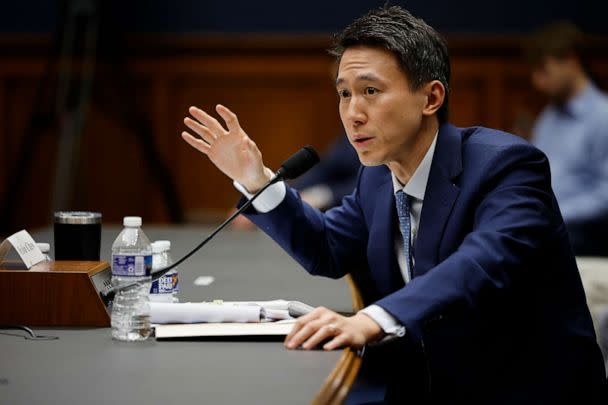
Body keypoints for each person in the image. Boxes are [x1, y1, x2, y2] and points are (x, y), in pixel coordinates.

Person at [181, 6, 606, 403]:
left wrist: (374, 317)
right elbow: (326, 248)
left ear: (431, 98)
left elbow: (481, 261)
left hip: (520, 388)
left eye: (371, 90)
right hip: (425, 383)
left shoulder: (504, 165)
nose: (353, 113)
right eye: (344, 94)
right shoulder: (378, 178)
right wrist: (257, 179)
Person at [527, 22, 608, 256]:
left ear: (571, 61)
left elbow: (606, 194)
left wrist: (555, 213)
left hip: (583, 235)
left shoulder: (602, 116)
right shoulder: (548, 117)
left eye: (544, 70)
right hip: (543, 225)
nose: (537, 81)